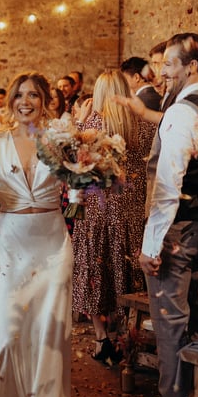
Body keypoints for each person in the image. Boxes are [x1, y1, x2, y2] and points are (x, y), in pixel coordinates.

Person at [133, 33, 198, 397]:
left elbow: (167, 185)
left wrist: (151, 246)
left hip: (178, 229)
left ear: (192, 66)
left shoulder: (183, 112)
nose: (161, 72)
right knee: (186, 320)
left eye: (169, 63)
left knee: (170, 325)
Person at [0, 71, 72, 397]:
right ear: (11, 100)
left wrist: (93, 175)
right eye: (19, 95)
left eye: (33, 95)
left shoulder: (61, 141)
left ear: (45, 101)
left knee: (49, 327)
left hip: (53, 241)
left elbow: (85, 185)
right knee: (9, 323)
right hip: (12, 240)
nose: (25, 101)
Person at [71, 71, 156, 364]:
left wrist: (79, 122)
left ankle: (101, 339)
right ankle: (126, 337)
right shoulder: (143, 124)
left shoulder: (92, 125)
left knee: (94, 270)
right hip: (131, 211)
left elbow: (74, 165)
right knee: (127, 271)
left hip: (96, 210)